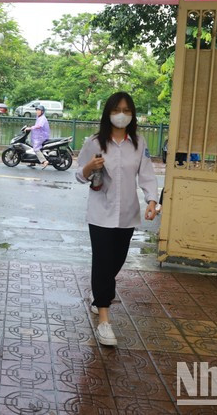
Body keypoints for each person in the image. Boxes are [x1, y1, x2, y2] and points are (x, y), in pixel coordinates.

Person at [75, 92, 159, 346]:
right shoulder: (94, 142)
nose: (121, 114)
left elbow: (146, 175)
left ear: (132, 114)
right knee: (102, 262)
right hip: (100, 213)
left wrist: (152, 201)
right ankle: (104, 319)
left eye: (126, 109)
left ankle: (99, 292)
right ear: (108, 113)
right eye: (117, 109)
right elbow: (79, 173)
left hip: (127, 215)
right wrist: (90, 167)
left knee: (116, 262)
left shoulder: (139, 143)